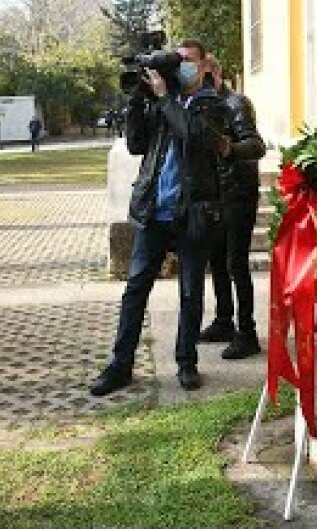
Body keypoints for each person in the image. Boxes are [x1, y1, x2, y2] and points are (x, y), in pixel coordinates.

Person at [89, 39, 230, 396]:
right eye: (176, 59)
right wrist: (139, 98)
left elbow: (196, 136)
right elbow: (137, 144)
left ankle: (186, 363)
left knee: (190, 292)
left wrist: (166, 98)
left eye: (187, 61)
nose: (180, 65)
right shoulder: (160, 101)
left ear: (202, 65)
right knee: (135, 290)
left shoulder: (210, 103)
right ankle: (120, 365)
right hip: (154, 210)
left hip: (193, 212)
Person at [198, 55, 266, 359]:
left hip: (237, 193)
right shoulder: (201, 106)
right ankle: (224, 320)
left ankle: (247, 331)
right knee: (217, 260)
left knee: (235, 262)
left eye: (204, 70)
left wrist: (229, 148)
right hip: (214, 194)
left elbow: (256, 145)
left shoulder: (235, 103)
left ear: (215, 71)